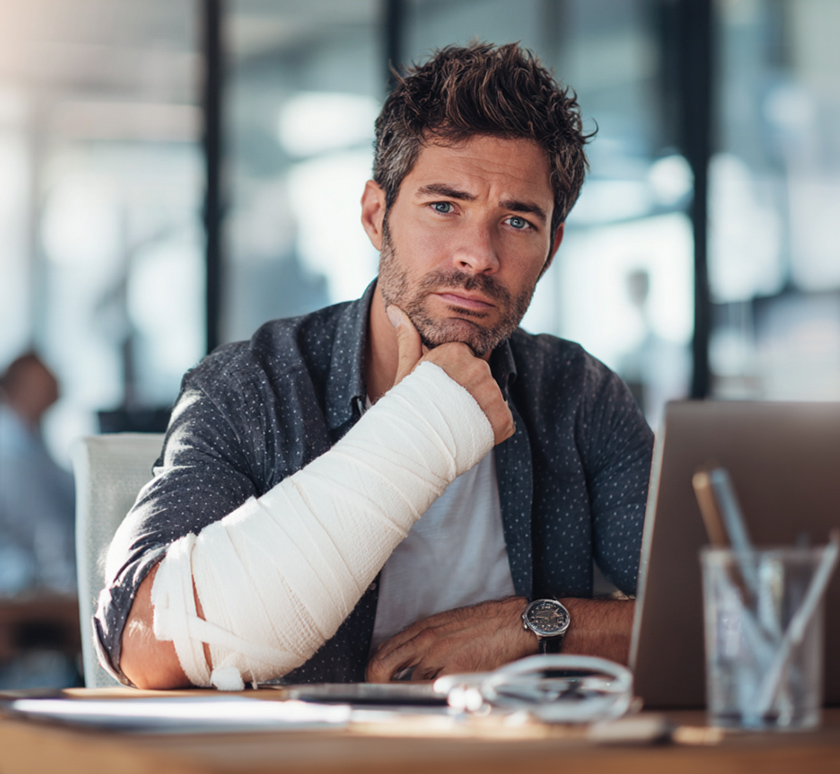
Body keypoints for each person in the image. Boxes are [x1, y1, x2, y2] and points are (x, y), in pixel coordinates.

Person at [98, 43, 655, 691]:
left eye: (516, 221)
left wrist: (533, 625)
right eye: (444, 207)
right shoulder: (252, 386)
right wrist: (420, 430)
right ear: (374, 215)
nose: (477, 254)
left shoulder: (578, 396)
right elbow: (145, 644)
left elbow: (720, 615)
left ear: (552, 245)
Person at [0, 352, 76, 595]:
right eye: (45, 379)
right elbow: (38, 525)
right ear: (19, 388)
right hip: (21, 582)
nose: (57, 384)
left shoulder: (34, 441)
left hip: (42, 575)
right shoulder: (9, 451)